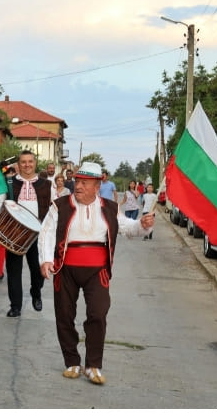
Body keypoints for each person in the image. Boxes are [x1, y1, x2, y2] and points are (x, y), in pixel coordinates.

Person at [38, 162, 154, 385]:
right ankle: (72, 361)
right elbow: (47, 233)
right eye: (77, 182)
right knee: (64, 315)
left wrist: (143, 224)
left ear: (97, 186)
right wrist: (45, 259)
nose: (78, 186)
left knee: (98, 315)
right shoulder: (60, 205)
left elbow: (128, 228)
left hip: (97, 271)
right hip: (65, 268)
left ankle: (93, 365)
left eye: (84, 183)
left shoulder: (109, 208)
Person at [0, 149, 54, 318]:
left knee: (37, 270)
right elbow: (0, 203)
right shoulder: (9, 183)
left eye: (30, 161)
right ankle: (15, 306)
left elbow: (55, 209)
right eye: (23, 162)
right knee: (13, 271)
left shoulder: (47, 185)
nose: (27, 165)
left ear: (35, 163)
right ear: (18, 164)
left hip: (37, 234)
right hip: (14, 234)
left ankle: (35, 292)